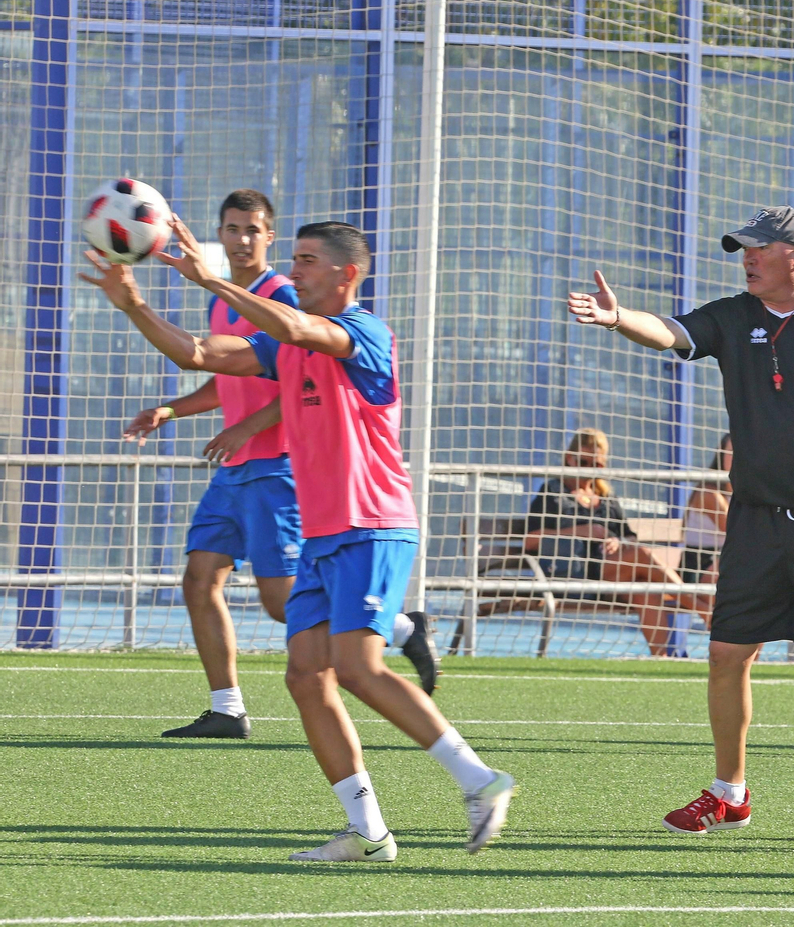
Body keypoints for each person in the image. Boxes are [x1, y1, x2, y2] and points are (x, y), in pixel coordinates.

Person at [79, 217, 515, 862]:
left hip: (372, 523)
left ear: (348, 273)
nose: (297, 270)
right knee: (307, 675)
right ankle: (367, 831)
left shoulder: (363, 333)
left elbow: (299, 327)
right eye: (296, 259)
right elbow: (199, 354)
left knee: (359, 669)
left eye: (308, 261)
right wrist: (135, 304)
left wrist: (217, 281)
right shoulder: (288, 345)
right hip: (323, 535)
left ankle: (481, 782)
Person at [567, 205, 794, 844]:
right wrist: (619, 317)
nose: (747, 258)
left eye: (760, 248)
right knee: (728, 654)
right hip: (757, 519)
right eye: (744, 249)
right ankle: (729, 792)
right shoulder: (733, 316)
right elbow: (671, 332)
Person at [125, 191, 437, 741]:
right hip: (237, 469)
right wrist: (134, 311)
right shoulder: (236, 301)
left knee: (291, 614)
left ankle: (403, 633)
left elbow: (297, 351)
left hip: (285, 471)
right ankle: (228, 708)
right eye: (232, 228)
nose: (242, 239)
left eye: (253, 229)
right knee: (201, 580)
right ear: (219, 234)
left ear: (269, 236)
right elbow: (214, 362)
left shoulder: (290, 299)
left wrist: (248, 423)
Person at [516, 428, 691, 657]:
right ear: (570, 459)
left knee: (644, 591)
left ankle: (662, 659)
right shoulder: (553, 492)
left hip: (610, 573)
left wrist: (618, 542)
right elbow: (530, 541)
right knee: (644, 555)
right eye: (584, 461)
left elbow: (629, 535)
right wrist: (581, 531)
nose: (591, 469)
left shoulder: (606, 497)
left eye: (598, 465)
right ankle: (701, 607)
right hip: (572, 573)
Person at [678, 433, 732, 620]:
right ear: (720, 455)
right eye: (732, 452)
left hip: (730, 562)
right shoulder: (708, 492)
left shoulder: (753, 492)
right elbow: (738, 532)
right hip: (698, 566)